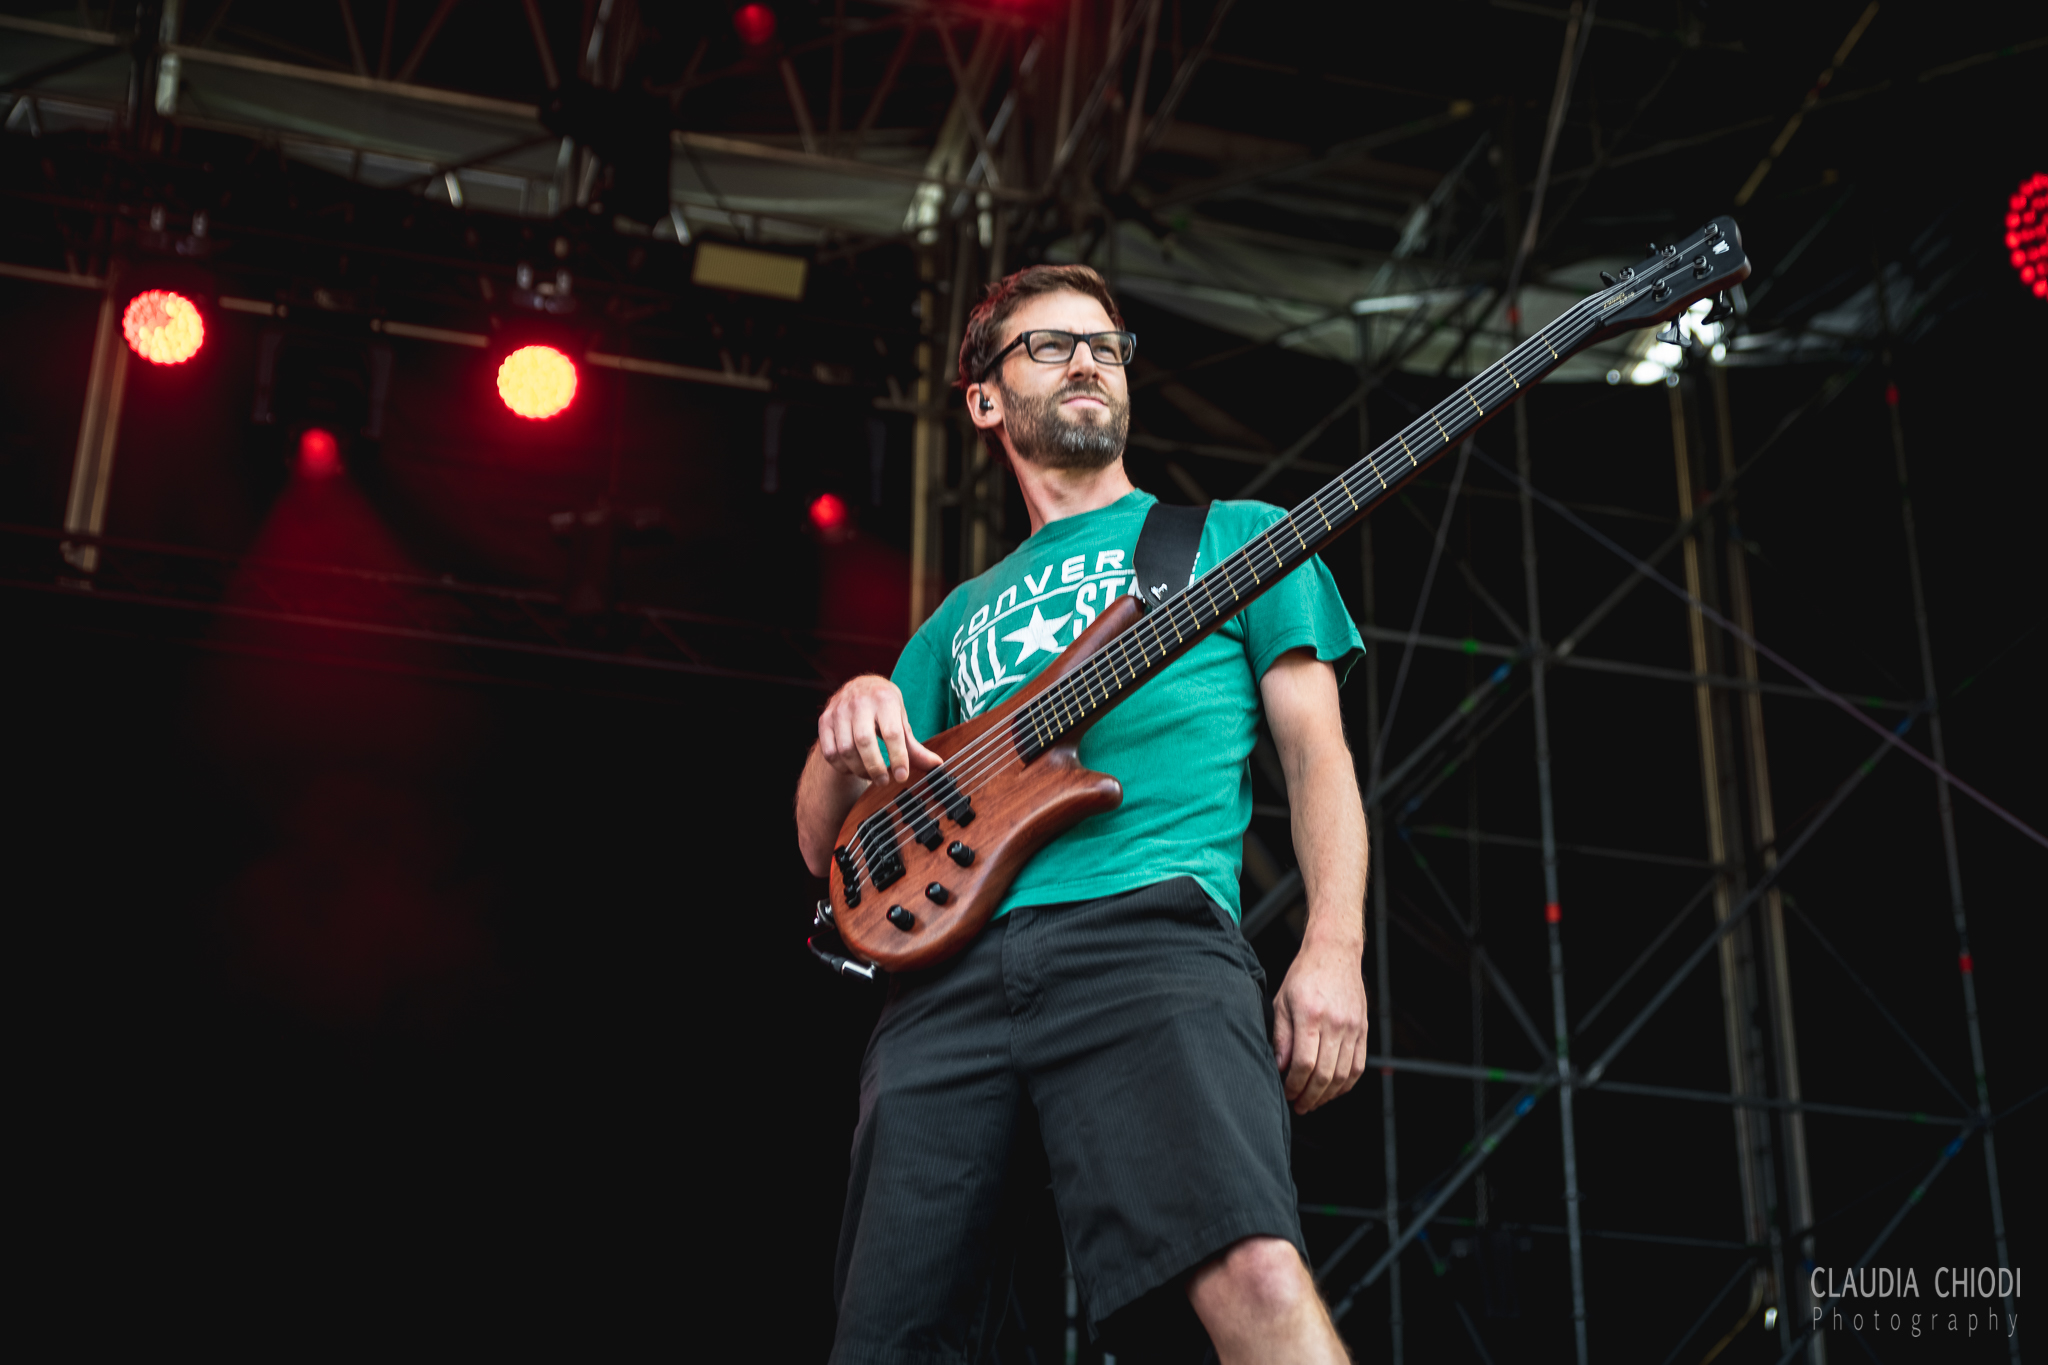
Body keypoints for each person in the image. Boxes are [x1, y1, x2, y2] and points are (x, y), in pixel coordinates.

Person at [794, 264, 1369, 1364]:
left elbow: (1317, 758)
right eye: (1049, 346)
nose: (1087, 361)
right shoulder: (955, 620)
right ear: (982, 398)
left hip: (1146, 937)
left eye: (1104, 344)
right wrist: (845, 723)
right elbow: (829, 845)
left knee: (1248, 1266)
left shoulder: (1233, 537)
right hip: (943, 988)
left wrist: (1331, 948)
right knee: (888, 1340)